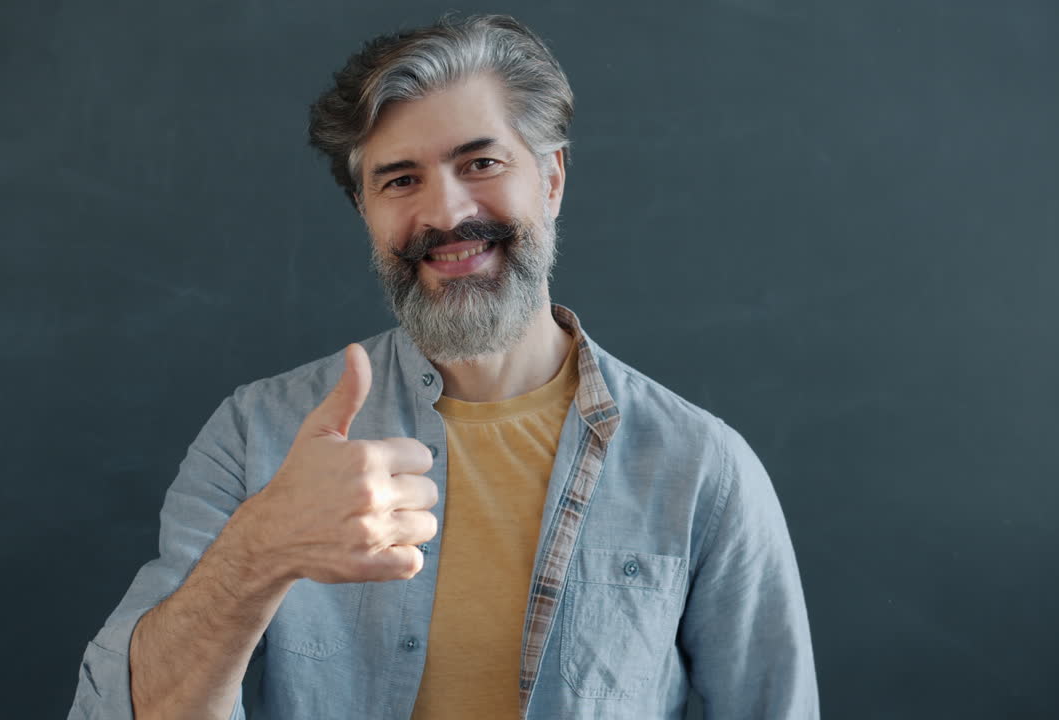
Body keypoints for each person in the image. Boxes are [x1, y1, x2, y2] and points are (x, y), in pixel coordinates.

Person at [68, 13, 818, 720]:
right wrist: (260, 551)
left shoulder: (703, 471)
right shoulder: (257, 436)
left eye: (481, 162)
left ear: (551, 179)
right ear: (366, 210)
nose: (446, 213)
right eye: (400, 180)